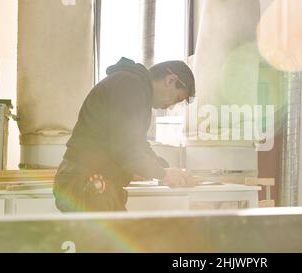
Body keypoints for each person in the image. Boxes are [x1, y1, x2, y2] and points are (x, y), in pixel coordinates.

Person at [53, 57, 196, 212]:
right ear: (170, 80)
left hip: (90, 180)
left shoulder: (133, 88)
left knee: (118, 233)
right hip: (87, 180)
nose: (171, 106)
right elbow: (125, 149)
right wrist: (163, 174)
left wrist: (167, 170)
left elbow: (138, 145)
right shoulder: (130, 87)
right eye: (177, 98)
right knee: (113, 235)